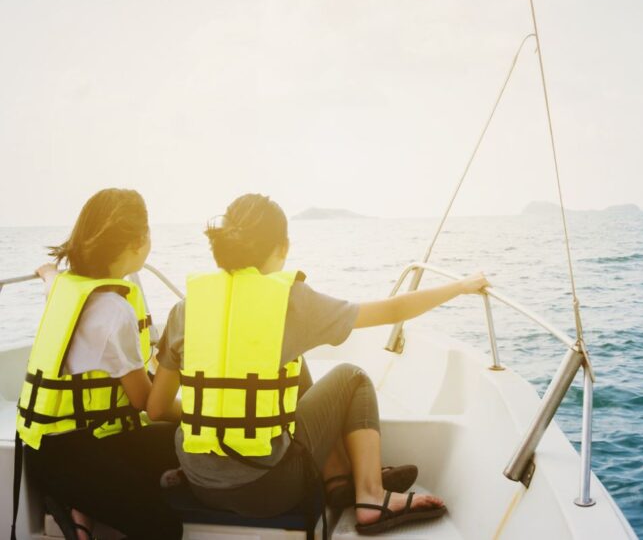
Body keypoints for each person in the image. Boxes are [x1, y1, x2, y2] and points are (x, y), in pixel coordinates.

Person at [147, 193, 489, 535]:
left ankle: (337, 475)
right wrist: (460, 286)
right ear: (281, 248)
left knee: (290, 365)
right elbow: (392, 310)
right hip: (270, 490)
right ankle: (372, 495)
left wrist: (214, 417)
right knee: (351, 378)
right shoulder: (291, 302)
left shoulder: (185, 309)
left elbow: (157, 407)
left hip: (200, 484)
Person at [16, 188, 182, 540]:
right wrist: (204, 413)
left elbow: (51, 282)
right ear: (137, 241)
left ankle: (82, 508)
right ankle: (75, 499)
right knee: (165, 528)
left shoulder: (67, 289)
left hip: (47, 447)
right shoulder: (114, 310)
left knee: (176, 443)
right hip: (74, 457)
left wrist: (47, 272)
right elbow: (147, 405)